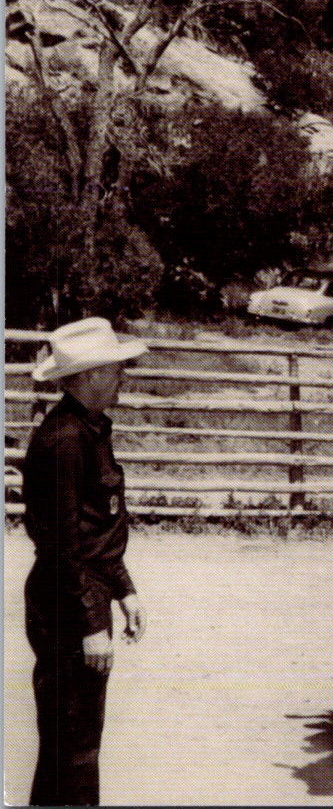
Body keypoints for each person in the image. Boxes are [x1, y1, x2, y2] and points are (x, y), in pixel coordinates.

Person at [23, 317, 149, 806]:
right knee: (73, 746)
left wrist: (125, 589)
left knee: (73, 744)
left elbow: (97, 528)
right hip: (68, 605)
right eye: (116, 369)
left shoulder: (89, 430)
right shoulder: (66, 441)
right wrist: (92, 622)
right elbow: (60, 545)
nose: (123, 377)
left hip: (82, 594)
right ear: (90, 375)